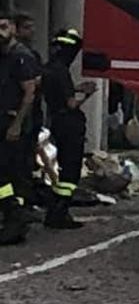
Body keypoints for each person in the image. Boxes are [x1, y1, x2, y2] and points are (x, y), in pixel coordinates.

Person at [42, 28, 96, 229]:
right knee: (70, 172)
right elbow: (71, 103)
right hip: (69, 124)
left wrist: (77, 88)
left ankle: (55, 210)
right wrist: (87, 94)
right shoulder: (61, 71)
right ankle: (60, 212)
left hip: (57, 121)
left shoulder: (49, 68)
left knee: (65, 166)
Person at [0, 9, 37, 244]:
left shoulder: (20, 56)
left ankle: (16, 215)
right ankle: (13, 214)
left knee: (10, 172)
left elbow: (29, 92)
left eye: (3, 26)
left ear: (13, 28)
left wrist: (17, 125)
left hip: (12, 123)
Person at [12, 12, 43, 211]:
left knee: (23, 162)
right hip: (16, 117)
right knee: (16, 164)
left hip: (27, 118)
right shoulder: (20, 56)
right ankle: (17, 206)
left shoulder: (28, 55)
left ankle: (20, 204)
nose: (31, 32)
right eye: (27, 28)